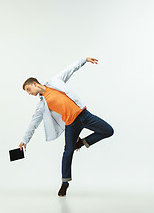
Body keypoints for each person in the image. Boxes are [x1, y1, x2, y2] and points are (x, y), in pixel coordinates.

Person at [19, 57, 114, 197]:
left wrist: (85, 60)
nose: (29, 93)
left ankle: (81, 143)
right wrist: (24, 140)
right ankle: (64, 184)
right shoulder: (41, 105)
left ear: (34, 84)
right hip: (71, 124)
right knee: (68, 152)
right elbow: (33, 123)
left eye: (28, 89)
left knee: (108, 130)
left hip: (84, 115)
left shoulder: (55, 81)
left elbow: (70, 69)